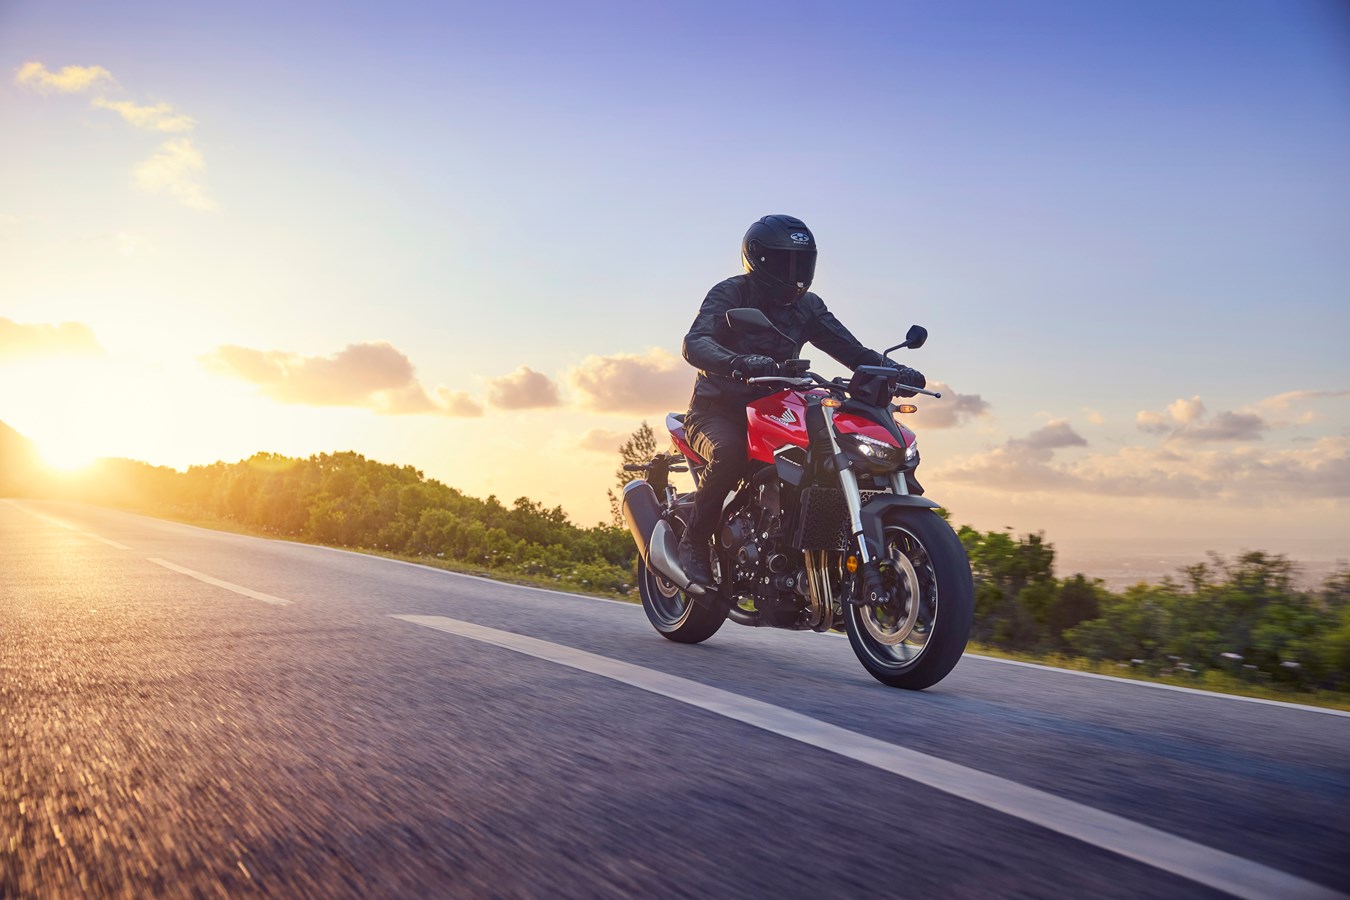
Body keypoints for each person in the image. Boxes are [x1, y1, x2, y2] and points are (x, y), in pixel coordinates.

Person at [677, 214, 925, 594]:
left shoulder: (807, 307)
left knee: (834, 452)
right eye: (783, 262)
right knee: (728, 454)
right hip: (717, 411)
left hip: (778, 407)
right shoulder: (731, 294)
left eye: (801, 262)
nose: (794, 273)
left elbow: (852, 351)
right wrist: (737, 363)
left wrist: (893, 370)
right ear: (758, 260)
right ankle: (693, 542)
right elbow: (696, 342)